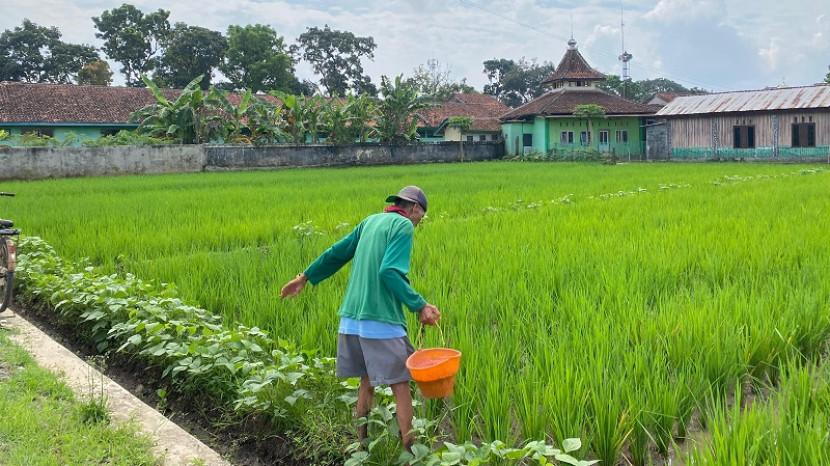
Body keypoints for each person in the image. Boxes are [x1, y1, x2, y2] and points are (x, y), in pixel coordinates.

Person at [280, 185, 441, 450]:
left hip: (351, 321)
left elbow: (337, 252)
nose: (418, 223)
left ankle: (362, 446)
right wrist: (419, 305)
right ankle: (410, 452)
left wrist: (304, 277)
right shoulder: (403, 226)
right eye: (420, 218)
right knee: (401, 385)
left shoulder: (370, 221)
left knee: (366, 381)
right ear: (414, 208)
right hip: (380, 320)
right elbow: (389, 271)